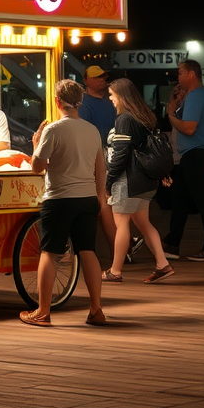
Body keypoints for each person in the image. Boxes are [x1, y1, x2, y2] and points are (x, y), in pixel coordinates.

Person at [19, 78, 107, 327]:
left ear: (57, 101)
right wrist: (99, 197)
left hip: (58, 199)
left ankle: (43, 311)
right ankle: (96, 309)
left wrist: (36, 145)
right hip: (87, 198)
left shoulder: (53, 130)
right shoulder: (92, 130)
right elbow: (100, 169)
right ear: (80, 102)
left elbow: (38, 167)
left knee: (50, 252)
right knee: (87, 251)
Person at [103, 78, 174, 284]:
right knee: (143, 222)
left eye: (112, 95)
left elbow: (120, 155)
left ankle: (115, 270)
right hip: (146, 180)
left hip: (128, 180)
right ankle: (162, 264)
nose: (110, 99)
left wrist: (109, 181)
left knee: (122, 223)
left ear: (121, 96)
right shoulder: (146, 116)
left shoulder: (124, 119)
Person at [79, 65, 144, 263]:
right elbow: (86, 133)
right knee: (108, 201)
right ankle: (121, 247)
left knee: (111, 201)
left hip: (112, 153)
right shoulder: (85, 103)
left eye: (104, 76)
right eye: (97, 77)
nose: (102, 80)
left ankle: (121, 247)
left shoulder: (107, 101)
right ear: (86, 80)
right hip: (99, 155)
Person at [162, 59, 204, 261]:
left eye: (181, 72)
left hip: (196, 153)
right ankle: (172, 243)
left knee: (203, 201)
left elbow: (189, 128)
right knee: (180, 199)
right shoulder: (200, 96)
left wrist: (169, 115)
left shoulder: (197, 96)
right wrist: (175, 106)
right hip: (194, 154)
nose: (178, 76)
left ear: (192, 74)